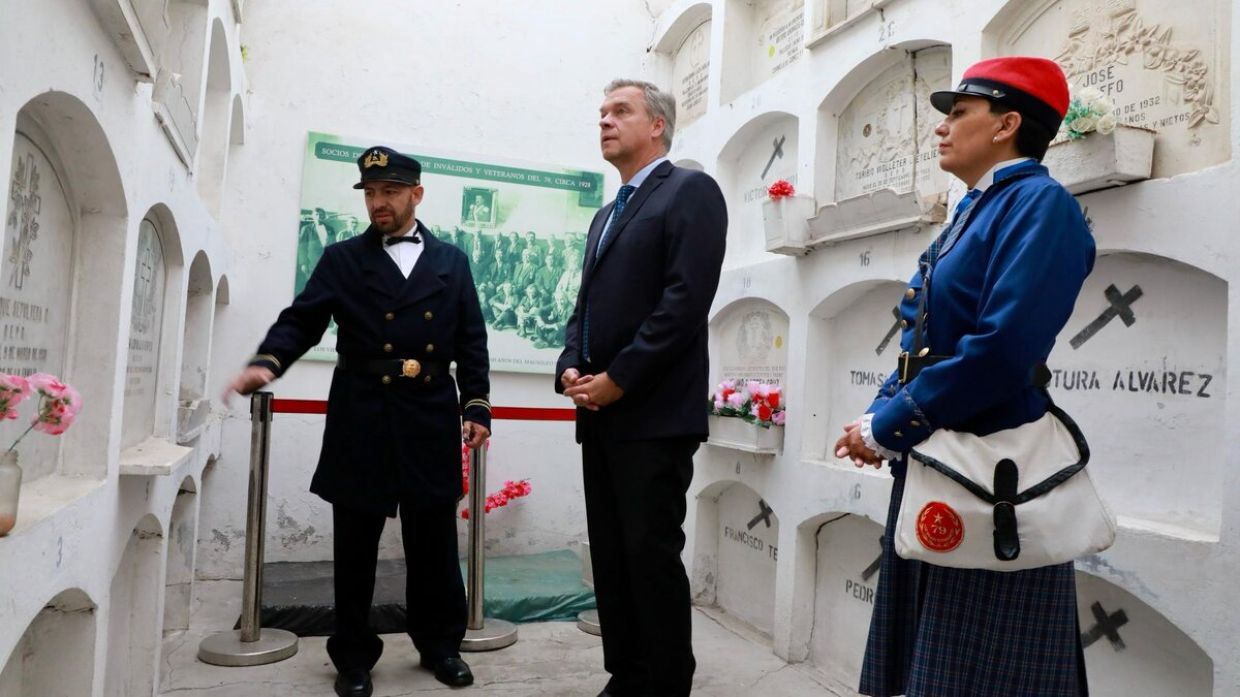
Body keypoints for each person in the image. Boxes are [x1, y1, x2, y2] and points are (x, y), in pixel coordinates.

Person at [835, 57, 1096, 696]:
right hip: (941, 456)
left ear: (1007, 124)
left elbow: (1003, 350)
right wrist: (876, 420)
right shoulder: (979, 207)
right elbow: (924, 336)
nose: (941, 128)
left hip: (989, 472)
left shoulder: (1040, 205)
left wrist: (892, 425)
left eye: (959, 113)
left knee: (986, 670)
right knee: (937, 665)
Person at [225, 146, 491, 695]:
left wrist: (476, 404)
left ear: (417, 195)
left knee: (434, 544)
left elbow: (471, 338)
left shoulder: (452, 261)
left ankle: (440, 646)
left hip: (427, 412)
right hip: (362, 412)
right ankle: (352, 657)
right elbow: (302, 320)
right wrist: (268, 361)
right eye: (370, 193)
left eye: (390, 192)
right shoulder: (343, 259)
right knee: (355, 546)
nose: (378, 203)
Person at [556, 79, 726, 697]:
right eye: (602, 112)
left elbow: (683, 302)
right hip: (600, 411)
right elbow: (586, 308)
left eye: (620, 111)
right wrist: (571, 365)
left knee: (649, 555)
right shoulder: (608, 213)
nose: (604, 121)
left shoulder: (690, 190)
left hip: (653, 414)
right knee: (611, 555)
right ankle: (626, 676)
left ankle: (665, 684)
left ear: (657, 125)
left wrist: (620, 379)